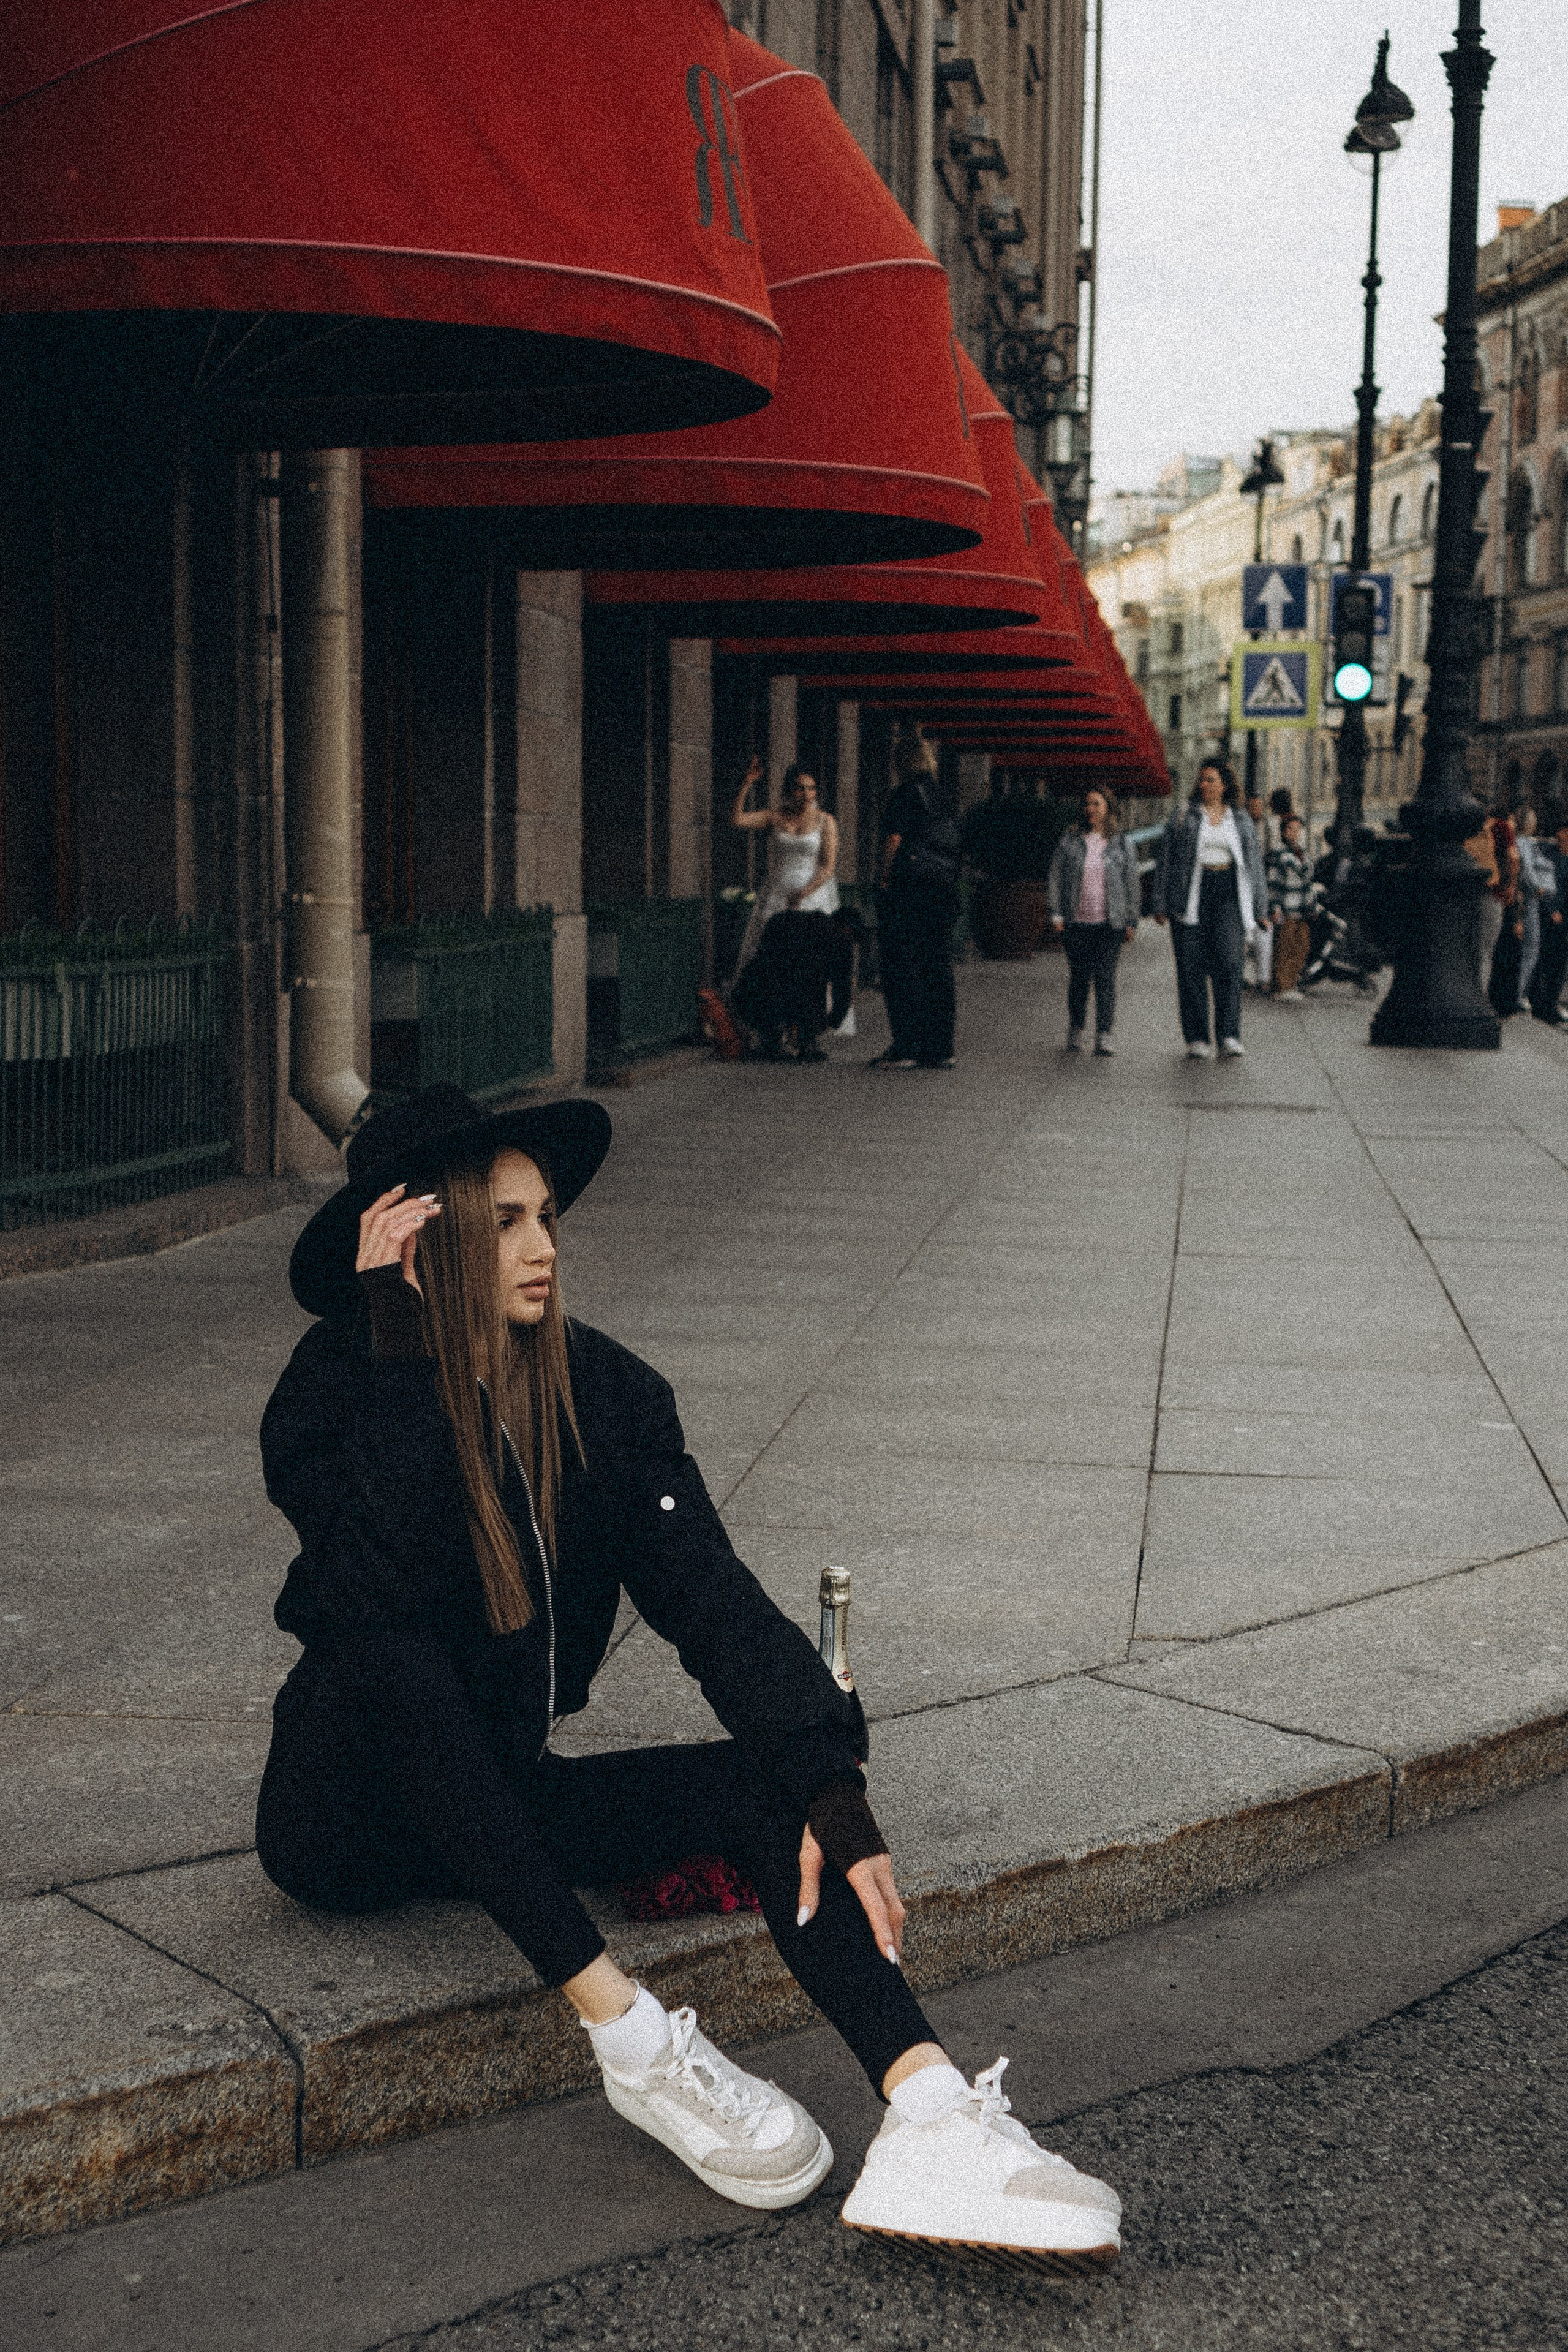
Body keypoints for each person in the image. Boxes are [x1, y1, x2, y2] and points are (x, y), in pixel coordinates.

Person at [258, 1085, 1123, 2264]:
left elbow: (710, 1600)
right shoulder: (332, 1393)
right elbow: (376, 1584)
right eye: (504, 1222)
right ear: (427, 1242)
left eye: (546, 1216)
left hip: (501, 1800)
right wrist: (407, 1354)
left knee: (770, 1791)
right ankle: (634, 2043)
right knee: (388, 1654)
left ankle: (928, 2110)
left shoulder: (604, 1398)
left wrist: (827, 1779)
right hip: (343, 1818)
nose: (544, 1247)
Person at [1152, 758, 1270, 1059]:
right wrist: (1159, 902)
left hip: (1228, 893)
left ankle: (1229, 1035)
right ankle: (1197, 1038)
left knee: (1230, 962)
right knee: (1191, 967)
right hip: (1191, 895)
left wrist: (1261, 908)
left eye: (1211, 780)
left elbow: (1254, 864)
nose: (1204, 785)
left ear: (1225, 785)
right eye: (1202, 780)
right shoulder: (1184, 815)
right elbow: (1166, 859)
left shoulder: (1240, 819)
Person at [729, 758, 851, 1042]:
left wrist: (806, 891)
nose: (807, 794)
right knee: (771, 958)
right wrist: (746, 785)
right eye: (800, 788)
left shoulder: (826, 821)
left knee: (809, 964)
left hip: (812, 897)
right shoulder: (775, 816)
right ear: (789, 790)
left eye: (811, 788)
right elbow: (738, 820)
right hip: (777, 893)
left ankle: (807, 1029)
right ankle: (773, 1026)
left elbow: (828, 865)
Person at [872, 737, 962, 1071]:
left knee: (901, 965)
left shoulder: (903, 794)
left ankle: (906, 1046)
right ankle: (940, 1049)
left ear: (901, 762)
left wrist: (884, 877)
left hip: (908, 891)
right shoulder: (943, 796)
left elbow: (894, 839)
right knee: (938, 967)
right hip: (942, 890)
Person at [1046, 785, 1140, 1055]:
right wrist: (1056, 912)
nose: (1091, 809)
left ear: (1108, 808)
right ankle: (1076, 1028)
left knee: (1106, 978)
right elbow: (1055, 878)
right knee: (1079, 978)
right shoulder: (1070, 841)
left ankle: (1104, 1034)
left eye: (1097, 804)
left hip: (1110, 924)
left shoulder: (1121, 843)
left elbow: (1131, 882)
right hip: (1076, 922)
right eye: (1087, 804)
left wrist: (1132, 920)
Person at [1266, 812, 1316, 1000]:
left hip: (1303, 907)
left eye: (1298, 829)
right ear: (1284, 832)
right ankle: (1281, 986)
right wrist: (1274, 906)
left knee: (1302, 945)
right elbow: (1273, 882)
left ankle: (1292, 982)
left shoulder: (1302, 852)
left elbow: (1308, 881)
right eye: (1291, 829)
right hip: (1287, 906)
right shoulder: (1279, 853)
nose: (1295, 833)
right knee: (1284, 945)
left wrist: (1313, 904)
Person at [1528, 804, 1568, 1024]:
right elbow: (1542, 884)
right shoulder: (1548, 853)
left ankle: (1550, 1005)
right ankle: (1538, 1003)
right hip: (1548, 915)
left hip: (1564, 917)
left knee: (1559, 965)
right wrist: (1552, 909)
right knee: (1542, 959)